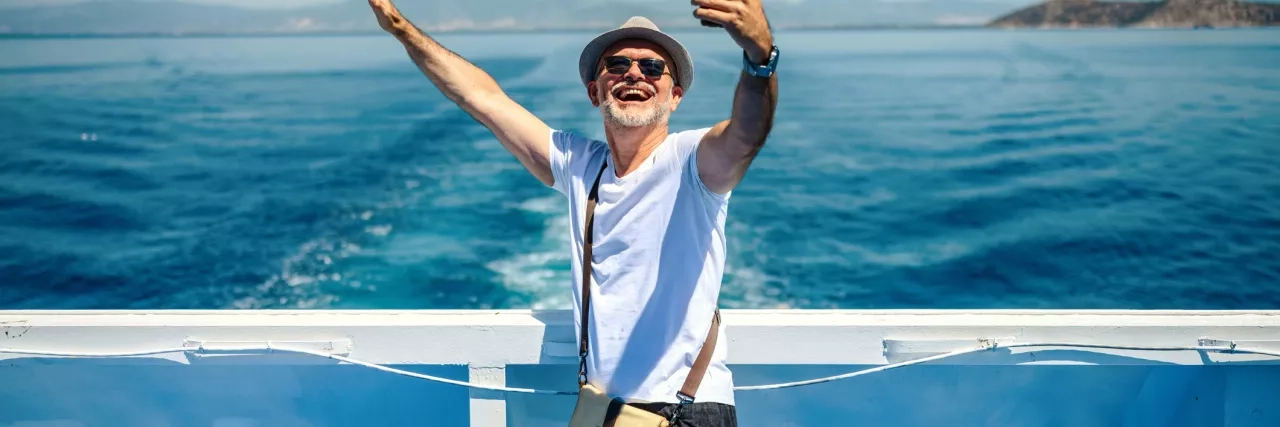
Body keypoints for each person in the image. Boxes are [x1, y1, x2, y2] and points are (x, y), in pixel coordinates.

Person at [368, 0, 778, 425]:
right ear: (594, 91)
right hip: (604, 412)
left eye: (653, 68)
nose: (634, 74)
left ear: (674, 95)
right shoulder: (580, 165)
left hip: (688, 410)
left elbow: (747, 134)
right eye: (616, 65)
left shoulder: (694, 162)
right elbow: (482, 98)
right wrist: (401, 28)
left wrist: (760, 59)